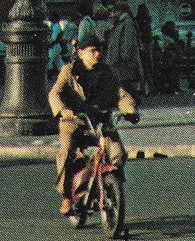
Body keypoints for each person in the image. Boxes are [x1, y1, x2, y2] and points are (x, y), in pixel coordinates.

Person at [49, 32, 139, 215]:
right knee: (66, 154)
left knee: (117, 153)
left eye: (99, 50)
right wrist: (62, 110)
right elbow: (54, 93)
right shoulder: (69, 71)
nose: (97, 54)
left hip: (100, 123)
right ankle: (67, 197)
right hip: (74, 123)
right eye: (92, 50)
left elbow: (120, 94)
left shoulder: (107, 72)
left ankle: (111, 186)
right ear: (81, 53)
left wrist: (130, 109)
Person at [105, 4, 145, 96]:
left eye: (115, 11)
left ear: (120, 11)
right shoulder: (121, 22)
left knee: (125, 79)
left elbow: (128, 39)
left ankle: (131, 97)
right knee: (123, 79)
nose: (114, 14)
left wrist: (125, 54)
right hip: (120, 56)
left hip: (123, 57)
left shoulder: (127, 22)